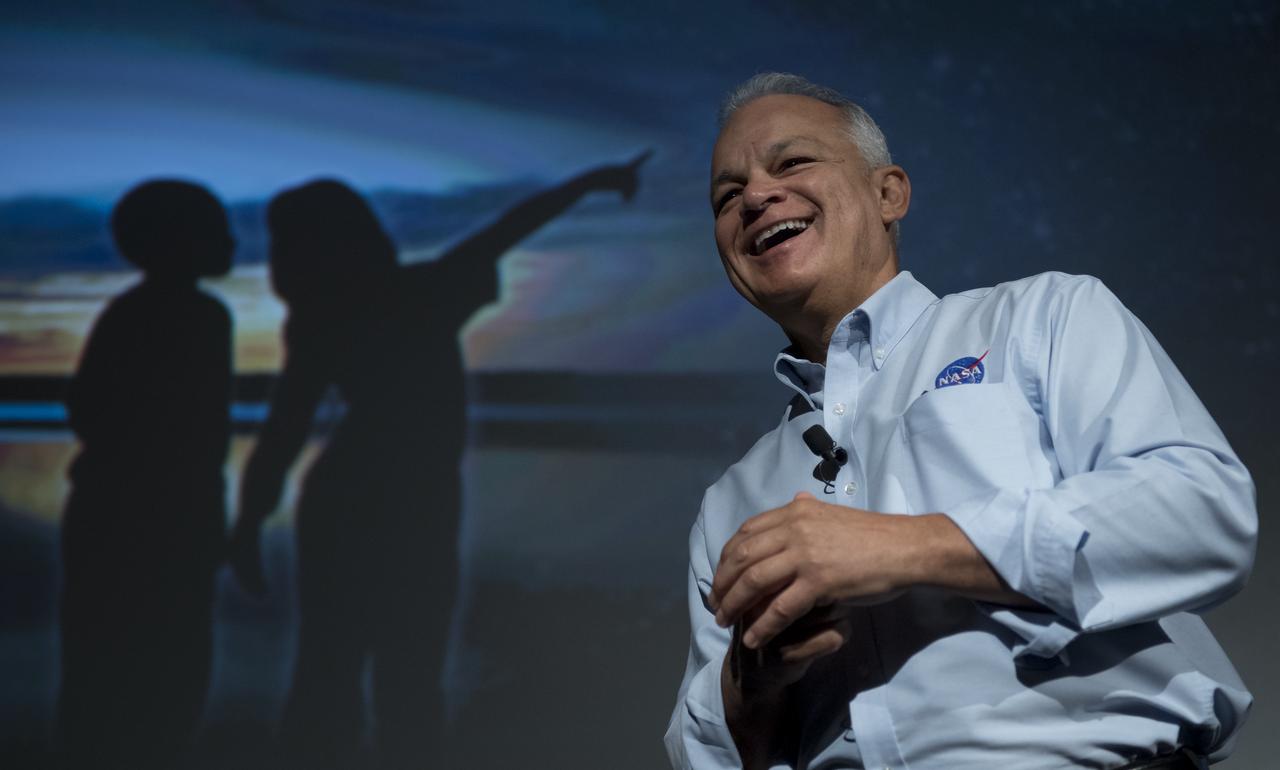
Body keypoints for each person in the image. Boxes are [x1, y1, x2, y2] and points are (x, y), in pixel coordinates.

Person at [665, 73, 1255, 770]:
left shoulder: (1043, 318)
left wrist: (905, 548)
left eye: (791, 163)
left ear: (890, 194)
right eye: (726, 198)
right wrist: (752, 682)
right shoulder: (730, 505)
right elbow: (704, 756)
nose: (756, 197)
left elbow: (1201, 514)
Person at [228, 154, 647, 769]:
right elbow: (513, 225)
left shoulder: (327, 317)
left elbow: (285, 427)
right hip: (404, 504)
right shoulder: (424, 292)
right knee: (400, 674)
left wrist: (248, 519)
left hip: (361, 498)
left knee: (336, 668)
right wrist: (594, 181)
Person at [58, 179, 235, 770]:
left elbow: (87, 408)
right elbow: (199, 433)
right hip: (161, 517)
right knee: (165, 664)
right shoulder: (201, 316)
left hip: (118, 509)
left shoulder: (133, 312)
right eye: (217, 228)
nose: (233, 239)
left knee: (102, 663)